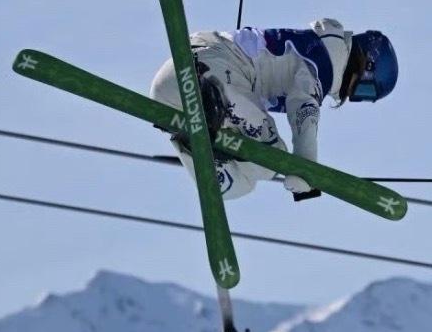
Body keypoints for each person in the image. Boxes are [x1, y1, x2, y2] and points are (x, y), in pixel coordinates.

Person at [151, 20, 398, 200]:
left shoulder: (315, 55)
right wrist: (305, 167)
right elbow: (305, 110)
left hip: (167, 88)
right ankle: (212, 101)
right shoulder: (323, 60)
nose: (351, 96)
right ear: (365, 66)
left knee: (240, 183)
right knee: (272, 154)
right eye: (364, 91)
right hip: (210, 66)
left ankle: (197, 143)